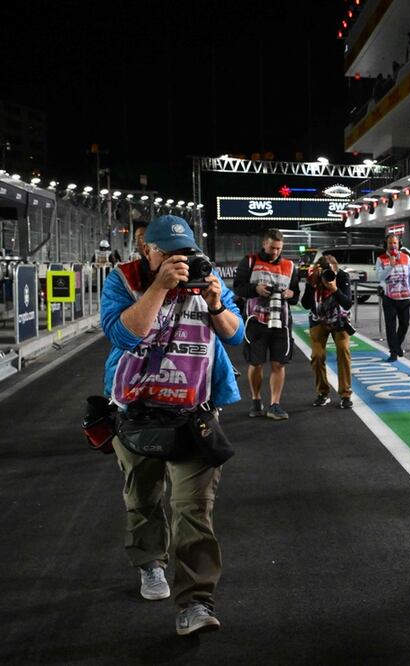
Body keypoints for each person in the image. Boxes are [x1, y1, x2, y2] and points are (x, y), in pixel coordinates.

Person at [100, 215, 244, 636]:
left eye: (186, 252)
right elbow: (124, 334)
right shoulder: (123, 280)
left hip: (194, 413)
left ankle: (196, 603)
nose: (181, 261)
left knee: (193, 511)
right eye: (170, 253)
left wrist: (215, 303)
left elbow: (235, 336)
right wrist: (159, 287)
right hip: (137, 412)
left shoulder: (207, 276)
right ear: (149, 251)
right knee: (143, 499)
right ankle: (150, 563)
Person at [233, 228, 299, 420]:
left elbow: (295, 295)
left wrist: (289, 294)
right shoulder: (250, 261)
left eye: (278, 248)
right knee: (256, 363)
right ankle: (256, 399)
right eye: (272, 248)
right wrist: (256, 289)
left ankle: (275, 405)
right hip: (256, 321)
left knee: (279, 363)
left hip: (281, 322)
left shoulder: (290, 265)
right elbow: (238, 288)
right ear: (264, 244)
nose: (275, 252)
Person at [301, 253, 355, 409]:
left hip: (339, 320)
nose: (328, 276)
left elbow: (347, 303)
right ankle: (322, 393)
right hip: (318, 318)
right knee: (317, 356)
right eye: (325, 272)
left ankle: (345, 394)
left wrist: (335, 289)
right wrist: (311, 285)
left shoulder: (342, 276)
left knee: (343, 351)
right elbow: (305, 304)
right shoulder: (314, 278)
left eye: (332, 272)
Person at [376, 234, 410, 362]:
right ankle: (393, 352)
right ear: (386, 245)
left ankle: (397, 345)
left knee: (405, 324)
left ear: (399, 244)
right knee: (390, 326)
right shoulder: (381, 259)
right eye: (390, 243)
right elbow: (380, 277)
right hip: (389, 298)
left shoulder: (406, 258)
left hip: (404, 297)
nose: (392, 245)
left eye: (395, 243)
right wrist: (390, 266)